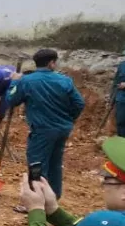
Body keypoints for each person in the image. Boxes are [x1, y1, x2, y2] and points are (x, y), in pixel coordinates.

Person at [6, 49, 85, 199]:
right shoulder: (65, 80)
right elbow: (79, 103)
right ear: (51, 63)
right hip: (63, 128)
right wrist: (69, 119)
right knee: (55, 162)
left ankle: (37, 199)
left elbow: (11, 100)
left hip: (42, 130)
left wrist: (14, 81)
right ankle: (53, 196)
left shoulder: (27, 81)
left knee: (37, 164)